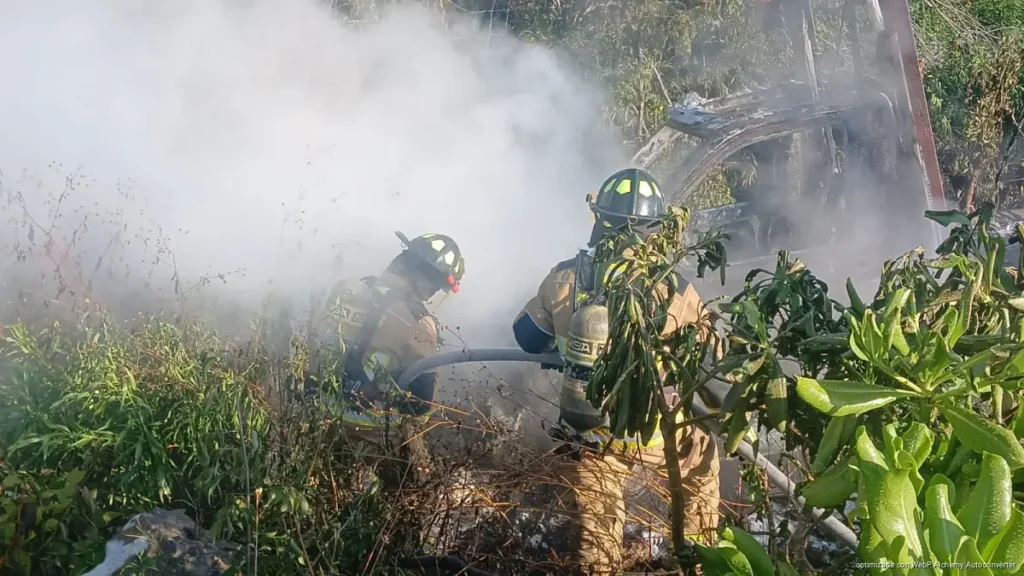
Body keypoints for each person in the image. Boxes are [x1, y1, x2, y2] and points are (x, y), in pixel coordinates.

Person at [511, 168, 721, 573]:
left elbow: (527, 337)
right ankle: (698, 561)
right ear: (655, 229)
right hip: (654, 434)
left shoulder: (566, 276)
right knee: (702, 466)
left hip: (589, 435)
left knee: (597, 547)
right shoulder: (672, 288)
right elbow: (710, 360)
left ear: (599, 219)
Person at [309, 230, 465, 487]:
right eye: (437, 285)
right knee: (422, 488)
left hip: (318, 415)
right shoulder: (419, 321)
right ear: (427, 279)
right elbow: (420, 405)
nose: (434, 293)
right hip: (374, 435)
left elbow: (315, 342)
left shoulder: (346, 288)